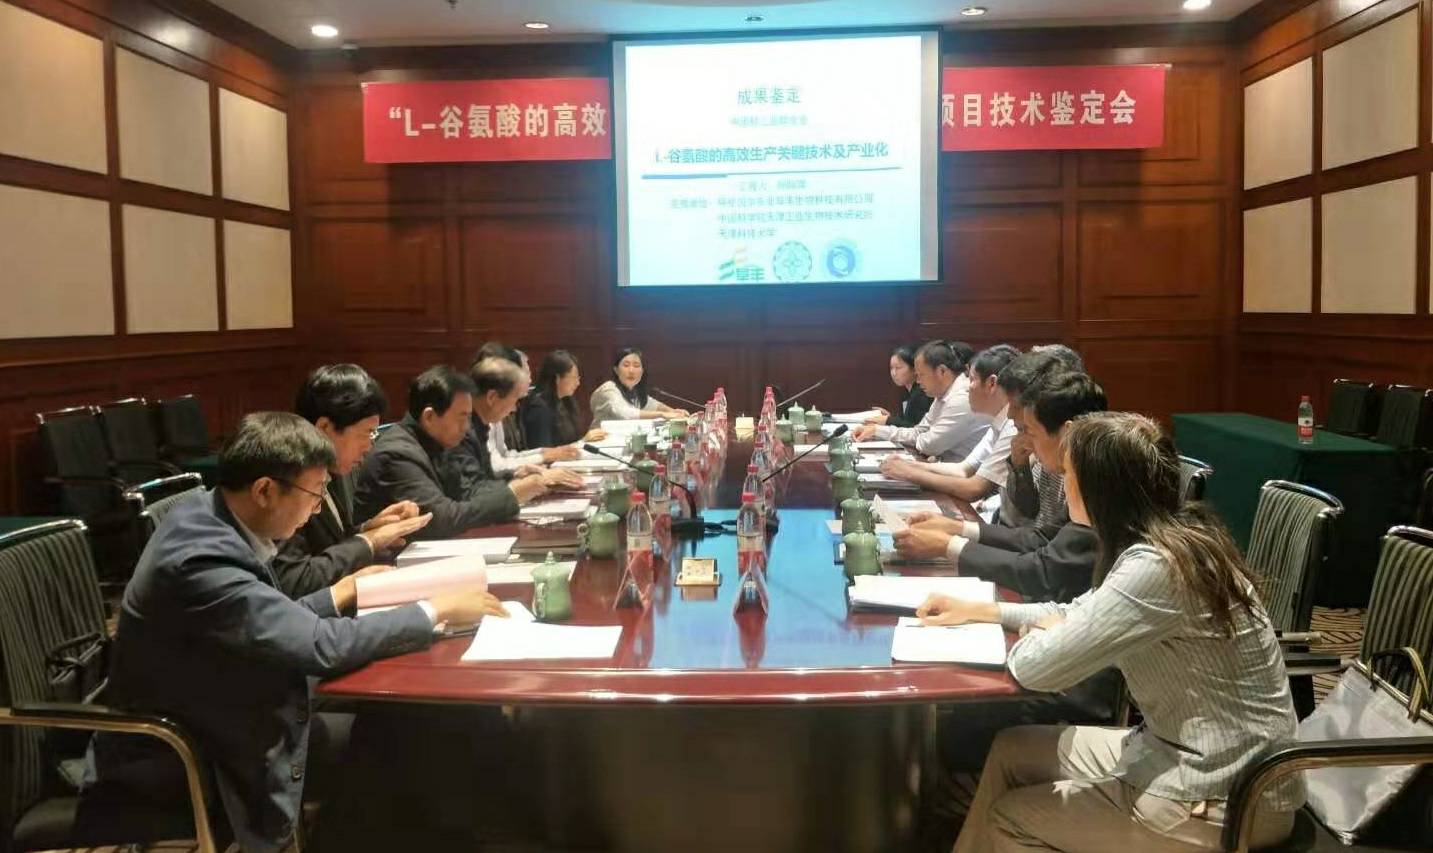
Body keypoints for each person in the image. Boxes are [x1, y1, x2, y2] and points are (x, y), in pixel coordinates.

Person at [86, 412, 506, 853]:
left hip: (230, 704)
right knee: (402, 739)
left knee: (408, 717)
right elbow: (318, 645)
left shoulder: (210, 514)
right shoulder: (201, 562)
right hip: (189, 748)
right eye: (316, 493)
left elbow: (270, 620)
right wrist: (435, 609)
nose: (318, 507)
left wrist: (340, 592)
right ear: (265, 490)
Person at [921, 412, 1302, 851]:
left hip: (1226, 794)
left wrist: (1040, 633)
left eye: (1069, 474)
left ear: (1099, 488)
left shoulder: (1156, 568)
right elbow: (1073, 611)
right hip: (1181, 752)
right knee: (1012, 749)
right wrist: (982, 611)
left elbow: (1033, 669)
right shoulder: (1166, 541)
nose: (1062, 483)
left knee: (1011, 820)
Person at [893, 371, 1106, 603]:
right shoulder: (1081, 468)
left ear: (1066, 433)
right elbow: (1039, 539)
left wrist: (948, 545)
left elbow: (1046, 571)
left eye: (1029, 431)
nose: (1024, 442)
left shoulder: (1099, 480)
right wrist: (956, 528)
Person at [272, 364, 431, 599]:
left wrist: (371, 530)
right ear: (324, 428)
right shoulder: (287, 479)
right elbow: (295, 581)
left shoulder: (332, 469)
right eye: (367, 433)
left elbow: (327, 546)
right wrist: (368, 541)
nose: (369, 446)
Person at [353, 365, 540, 538]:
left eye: (469, 418)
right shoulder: (396, 454)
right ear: (429, 416)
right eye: (461, 418)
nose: (466, 427)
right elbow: (441, 519)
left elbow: (468, 491)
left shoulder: (438, 439)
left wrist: (513, 481)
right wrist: (512, 495)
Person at [880, 345, 1021, 502]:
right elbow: (962, 469)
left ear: (992, 383)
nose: (967, 387)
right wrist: (909, 465)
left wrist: (909, 473)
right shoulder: (999, 421)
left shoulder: (1013, 425)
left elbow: (974, 488)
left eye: (972, 379)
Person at [443, 357, 583, 504]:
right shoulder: (463, 430)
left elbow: (486, 478)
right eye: (515, 400)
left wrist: (515, 475)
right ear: (492, 397)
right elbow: (471, 493)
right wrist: (520, 486)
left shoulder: (481, 425)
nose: (514, 409)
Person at [852, 339, 988, 463]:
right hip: (947, 467)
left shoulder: (961, 399)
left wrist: (920, 438)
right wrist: (877, 430)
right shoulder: (942, 394)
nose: (918, 381)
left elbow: (929, 445)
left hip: (967, 475)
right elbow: (918, 432)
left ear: (941, 371)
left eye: (921, 375)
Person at [473, 342, 581, 472]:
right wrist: (542, 458)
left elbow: (505, 455)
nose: (529, 380)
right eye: (526, 373)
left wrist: (544, 453)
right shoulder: (477, 417)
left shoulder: (494, 411)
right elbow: (494, 466)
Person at [524, 349, 605, 449]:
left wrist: (583, 441)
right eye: (574, 377)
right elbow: (543, 451)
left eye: (578, 378)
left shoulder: (565, 400)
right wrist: (582, 442)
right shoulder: (539, 408)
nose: (578, 383)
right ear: (557, 378)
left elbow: (571, 440)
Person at [589, 347, 688, 424]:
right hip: (599, 441)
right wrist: (662, 415)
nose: (631, 371)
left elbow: (654, 405)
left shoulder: (634, 391)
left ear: (642, 371)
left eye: (636, 366)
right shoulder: (608, 389)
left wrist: (674, 412)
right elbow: (625, 413)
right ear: (616, 370)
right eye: (626, 365)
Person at [863, 344, 933, 428]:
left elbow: (915, 428)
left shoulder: (921, 392)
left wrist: (888, 420)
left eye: (898, 368)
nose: (893, 373)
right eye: (891, 368)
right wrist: (889, 417)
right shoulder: (907, 392)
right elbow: (906, 421)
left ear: (914, 368)